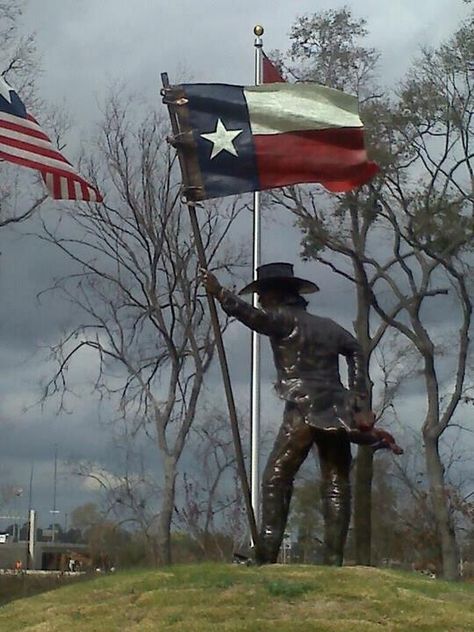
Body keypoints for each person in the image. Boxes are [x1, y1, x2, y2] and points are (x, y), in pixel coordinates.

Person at [202, 262, 402, 565]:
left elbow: (253, 318)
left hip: (303, 409)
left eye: (263, 295)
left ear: (275, 295)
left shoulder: (283, 319)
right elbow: (355, 348)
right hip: (336, 411)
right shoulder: (327, 326)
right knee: (336, 480)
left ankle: (267, 549)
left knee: (276, 478)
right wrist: (358, 395)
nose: (261, 302)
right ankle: (333, 557)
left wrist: (220, 294)